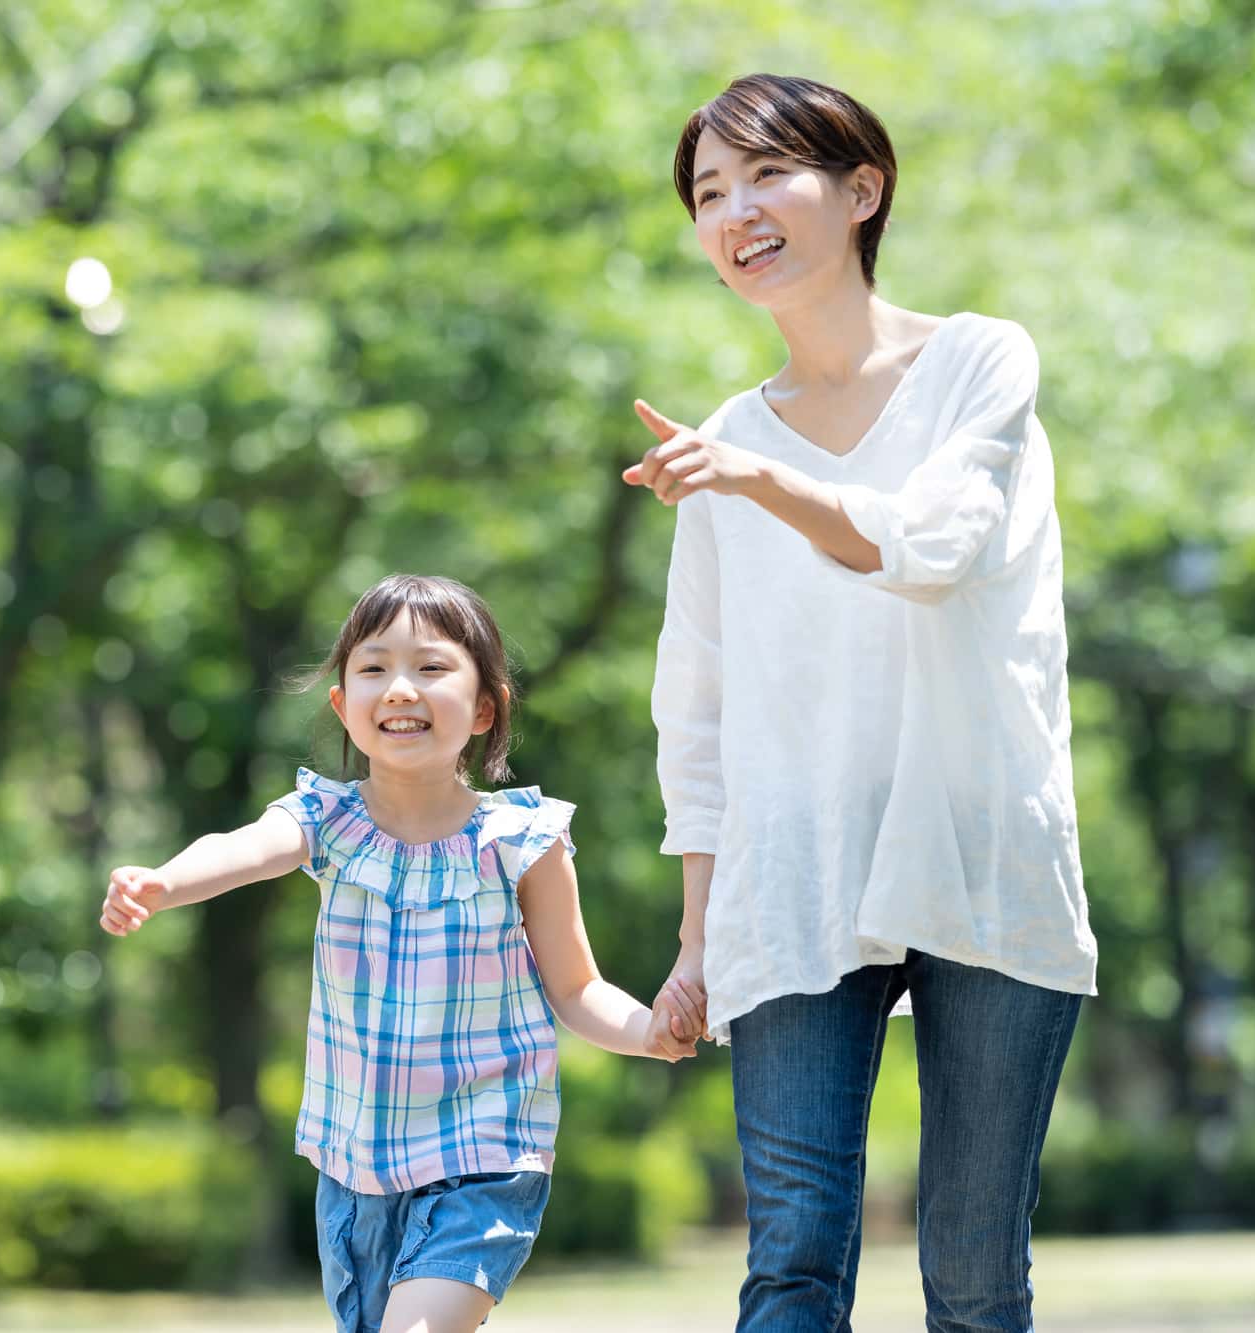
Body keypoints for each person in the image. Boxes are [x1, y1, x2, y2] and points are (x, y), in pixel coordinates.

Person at [624, 74, 1100, 1332]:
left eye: (764, 175)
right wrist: (693, 937)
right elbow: (699, 705)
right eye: (707, 194)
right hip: (792, 874)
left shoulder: (976, 361)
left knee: (973, 1273)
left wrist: (754, 478)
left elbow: (933, 544)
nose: (735, 212)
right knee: (787, 1262)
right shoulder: (722, 437)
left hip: (980, 853)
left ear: (860, 190)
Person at [100, 573, 703, 1333]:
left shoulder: (521, 842)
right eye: (374, 668)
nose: (400, 688)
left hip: (485, 1154)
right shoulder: (325, 820)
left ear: (485, 706)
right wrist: (163, 882)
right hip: (356, 1168)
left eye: (432, 667)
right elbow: (244, 848)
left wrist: (649, 1029)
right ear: (341, 704)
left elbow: (578, 987)